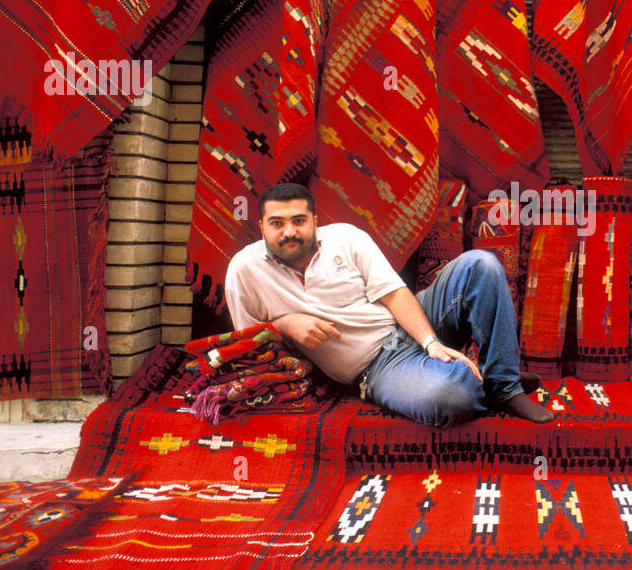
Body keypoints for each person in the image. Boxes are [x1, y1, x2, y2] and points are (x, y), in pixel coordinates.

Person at [223, 182, 554, 427]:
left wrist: (431, 343)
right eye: (277, 223)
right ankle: (485, 380)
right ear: (261, 226)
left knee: (480, 265)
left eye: (299, 221)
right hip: (377, 368)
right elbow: (249, 345)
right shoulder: (244, 271)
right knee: (451, 397)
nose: (289, 232)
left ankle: (505, 387)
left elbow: (394, 293)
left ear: (314, 220)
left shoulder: (346, 238)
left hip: (411, 321)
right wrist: (284, 325)